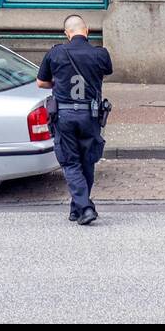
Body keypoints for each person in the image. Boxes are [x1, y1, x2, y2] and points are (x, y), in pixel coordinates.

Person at [37, 14, 113, 225]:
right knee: (87, 161)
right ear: (86, 30)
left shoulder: (55, 53)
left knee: (71, 163)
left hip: (65, 115)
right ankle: (77, 209)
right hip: (90, 115)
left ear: (66, 33)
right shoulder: (100, 54)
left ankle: (84, 208)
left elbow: (40, 82)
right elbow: (106, 71)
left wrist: (59, 83)